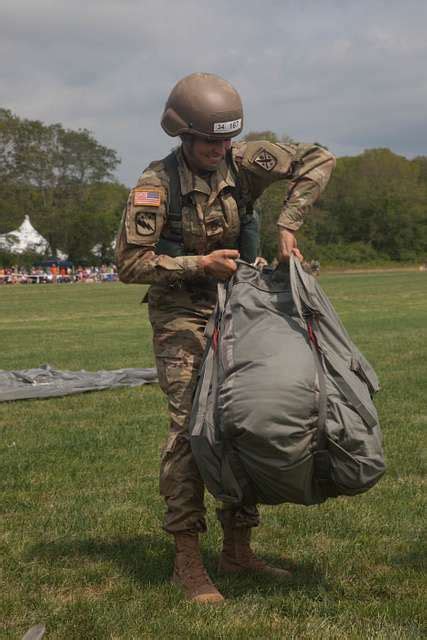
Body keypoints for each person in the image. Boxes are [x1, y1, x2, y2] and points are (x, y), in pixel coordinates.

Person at [115, 72, 335, 604]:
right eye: (210, 140)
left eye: (227, 139)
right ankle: (187, 560)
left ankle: (238, 548)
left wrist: (289, 223)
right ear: (182, 135)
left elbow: (318, 159)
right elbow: (128, 263)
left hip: (240, 308)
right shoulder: (154, 187)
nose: (221, 149)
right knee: (192, 428)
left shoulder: (243, 161)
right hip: (182, 314)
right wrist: (199, 263)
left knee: (247, 417)